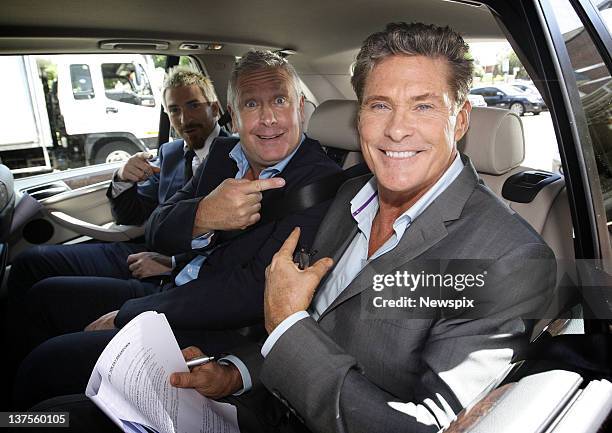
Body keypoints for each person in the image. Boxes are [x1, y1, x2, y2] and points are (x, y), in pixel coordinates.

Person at [165, 22, 556, 433]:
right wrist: (233, 374)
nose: (396, 129)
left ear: (459, 121)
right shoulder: (349, 197)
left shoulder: (507, 259)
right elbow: (316, 328)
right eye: (380, 105)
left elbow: (420, 428)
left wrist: (284, 326)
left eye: (423, 106)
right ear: (360, 117)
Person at [13, 50, 341, 409]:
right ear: (233, 115)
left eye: (280, 100)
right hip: (172, 289)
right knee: (44, 296)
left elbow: (252, 291)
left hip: (214, 328)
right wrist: (202, 215)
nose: (268, 118)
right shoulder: (223, 155)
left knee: (44, 366)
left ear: (300, 107)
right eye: (251, 104)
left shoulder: (320, 184)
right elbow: (156, 227)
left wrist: (134, 312)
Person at [3, 66, 226, 407]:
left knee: (45, 305)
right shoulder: (169, 154)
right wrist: (122, 177)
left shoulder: (235, 155)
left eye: (193, 105)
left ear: (215, 108)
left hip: (173, 276)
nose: (184, 118)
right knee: (30, 263)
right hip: (140, 252)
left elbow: (232, 246)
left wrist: (170, 263)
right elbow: (132, 215)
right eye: (174, 110)